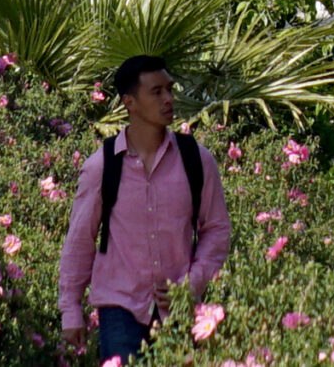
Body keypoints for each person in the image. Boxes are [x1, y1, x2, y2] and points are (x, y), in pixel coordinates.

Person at [58, 55, 233, 362]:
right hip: (120, 309)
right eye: (156, 92)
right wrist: (71, 309)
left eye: (169, 89)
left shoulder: (196, 159)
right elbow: (80, 240)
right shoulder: (103, 165)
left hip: (180, 309)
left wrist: (194, 283)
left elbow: (216, 229)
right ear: (130, 102)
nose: (168, 99)